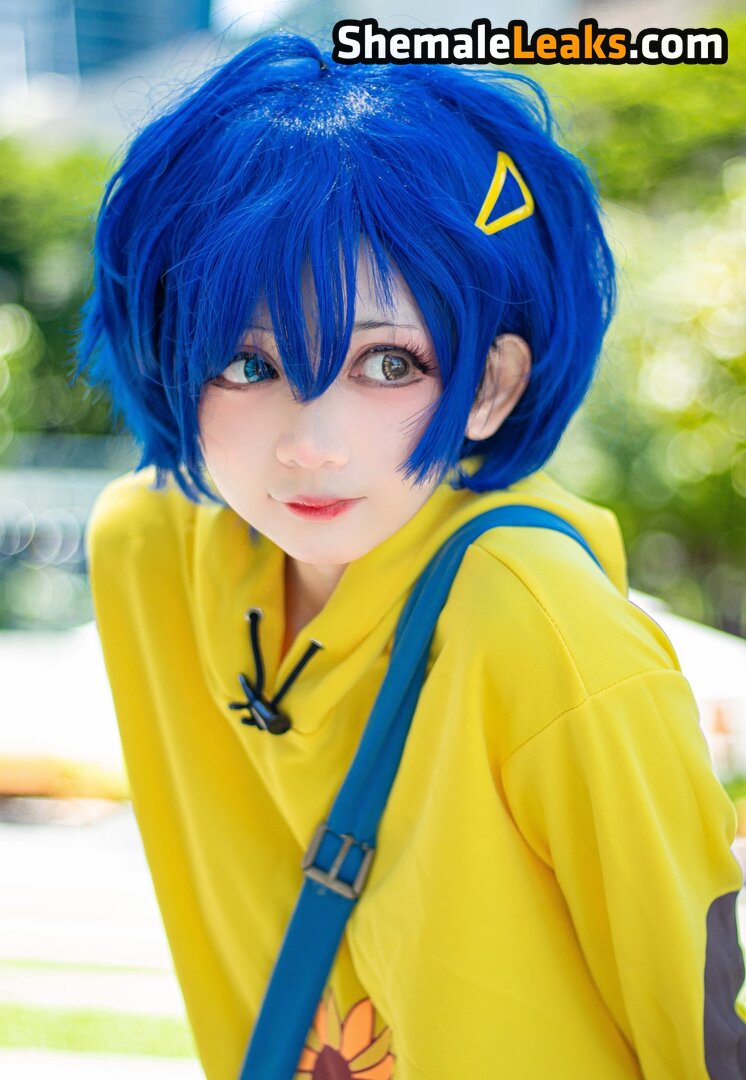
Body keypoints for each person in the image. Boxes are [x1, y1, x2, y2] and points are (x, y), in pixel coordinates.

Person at [76, 31, 746, 1080]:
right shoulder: (149, 553)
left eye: (388, 363)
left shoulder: (539, 626)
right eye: (247, 362)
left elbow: (698, 1028)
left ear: (491, 384)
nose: (312, 442)